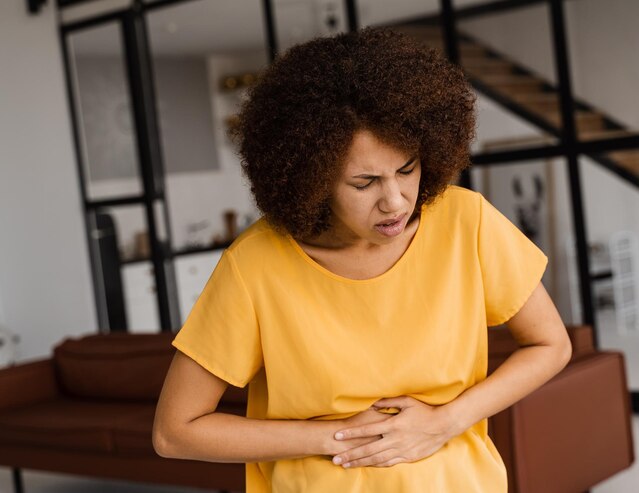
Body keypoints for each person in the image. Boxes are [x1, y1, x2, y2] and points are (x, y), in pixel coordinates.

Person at [153, 26, 572, 493]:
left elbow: (550, 345)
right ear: (312, 181)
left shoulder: (466, 222)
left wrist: (446, 421)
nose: (395, 201)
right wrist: (342, 436)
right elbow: (175, 431)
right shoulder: (254, 265)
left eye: (406, 170)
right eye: (364, 183)